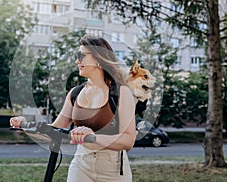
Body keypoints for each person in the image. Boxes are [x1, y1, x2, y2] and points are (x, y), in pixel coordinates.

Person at [10, 35, 136, 182]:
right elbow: (55, 132)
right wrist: (27, 126)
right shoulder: (75, 93)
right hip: (81, 164)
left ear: (98, 58)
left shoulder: (121, 93)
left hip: (112, 170)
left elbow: (128, 140)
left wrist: (93, 137)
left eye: (81, 56)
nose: (77, 61)